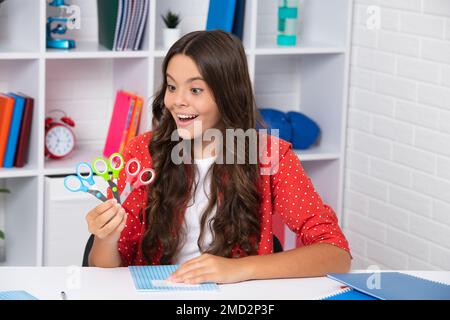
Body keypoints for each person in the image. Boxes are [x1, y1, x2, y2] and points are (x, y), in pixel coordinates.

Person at [86, 30, 351, 284]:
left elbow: (335, 254)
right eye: (171, 86)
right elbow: (105, 269)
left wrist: (237, 269)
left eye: (195, 90)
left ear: (228, 94)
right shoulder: (142, 152)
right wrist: (105, 238)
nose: (177, 101)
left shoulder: (270, 157)